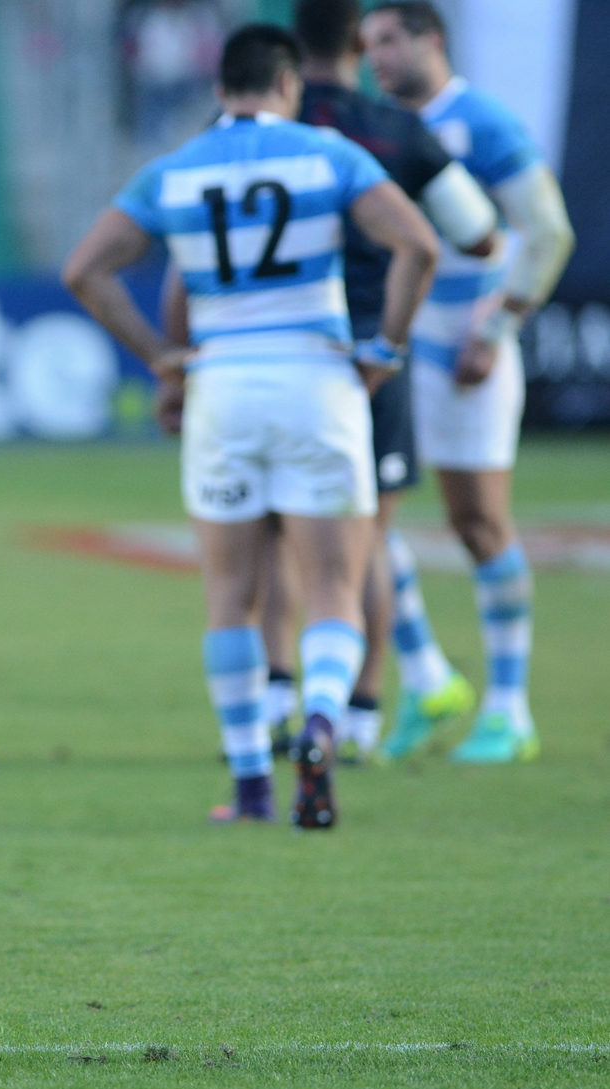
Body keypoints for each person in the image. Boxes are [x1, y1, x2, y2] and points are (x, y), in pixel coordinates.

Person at [64, 24, 439, 826]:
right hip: (318, 378)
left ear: (219, 89)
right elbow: (417, 245)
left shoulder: (176, 168)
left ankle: (249, 786)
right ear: (288, 85)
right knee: (335, 583)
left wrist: (162, 357)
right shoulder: (326, 154)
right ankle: (322, 723)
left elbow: (84, 270)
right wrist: (383, 349)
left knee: (228, 595)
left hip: (222, 386)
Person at [207, 0, 499, 765]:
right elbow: (474, 232)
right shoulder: (393, 131)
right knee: (361, 541)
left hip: (259, 356)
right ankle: (358, 714)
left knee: (266, 540)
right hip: (366, 355)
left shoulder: (233, 138)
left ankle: (273, 699)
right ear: (355, 45)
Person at [362, 2, 575, 763]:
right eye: (366, 45)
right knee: (363, 518)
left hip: (462, 345)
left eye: (389, 40)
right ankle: (425, 678)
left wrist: (495, 327)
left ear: (430, 39)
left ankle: (509, 709)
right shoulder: (374, 124)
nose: (377, 57)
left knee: (476, 523)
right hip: (393, 340)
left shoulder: (479, 121)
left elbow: (546, 231)